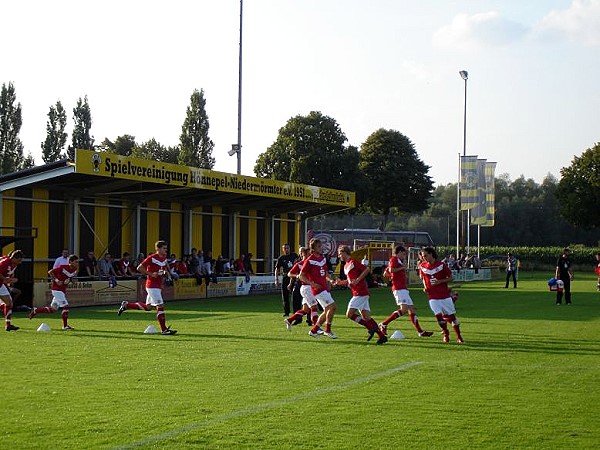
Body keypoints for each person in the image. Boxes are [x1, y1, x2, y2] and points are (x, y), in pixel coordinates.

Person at [117, 240, 177, 335]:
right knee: (160, 305)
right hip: (152, 285)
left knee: (148, 307)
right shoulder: (151, 258)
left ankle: (126, 305)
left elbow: (163, 270)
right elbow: (139, 268)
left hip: (157, 286)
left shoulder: (164, 258)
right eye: (164, 248)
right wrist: (151, 274)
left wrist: (166, 274)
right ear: (158, 249)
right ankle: (164, 330)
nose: (166, 250)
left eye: (166, 248)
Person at [335, 245, 387, 344]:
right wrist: (341, 282)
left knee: (349, 314)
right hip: (357, 292)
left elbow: (366, 269)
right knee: (366, 317)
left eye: (339, 254)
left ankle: (370, 328)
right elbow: (350, 280)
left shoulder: (353, 262)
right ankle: (382, 336)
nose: (339, 256)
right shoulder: (346, 265)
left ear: (345, 253)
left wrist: (358, 279)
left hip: (360, 292)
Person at [379, 245, 433, 338]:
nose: (404, 256)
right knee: (404, 309)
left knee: (412, 310)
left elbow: (386, 273)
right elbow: (391, 270)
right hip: (399, 288)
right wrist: (401, 268)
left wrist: (393, 274)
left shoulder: (397, 261)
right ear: (399, 252)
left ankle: (420, 332)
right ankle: (383, 324)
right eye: (403, 254)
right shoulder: (394, 259)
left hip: (403, 288)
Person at [418, 246, 464, 344]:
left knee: (452, 318)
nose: (424, 258)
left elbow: (451, 278)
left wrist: (440, 281)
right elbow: (423, 278)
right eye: (422, 256)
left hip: (444, 296)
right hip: (432, 296)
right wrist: (425, 287)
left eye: (425, 255)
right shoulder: (422, 266)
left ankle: (459, 336)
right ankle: (446, 333)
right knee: (438, 316)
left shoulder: (441, 265)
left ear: (431, 254)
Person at [298, 238, 338, 339]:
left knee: (327, 310)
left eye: (321, 246)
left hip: (324, 288)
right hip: (318, 289)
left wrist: (330, 280)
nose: (321, 248)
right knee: (333, 306)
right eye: (319, 246)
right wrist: (312, 283)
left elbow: (325, 273)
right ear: (313, 248)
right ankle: (327, 330)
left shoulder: (322, 258)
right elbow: (301, 276)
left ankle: (314, 330)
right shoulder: (309, 260)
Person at [29, 254, 78, 330]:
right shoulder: (63, 267)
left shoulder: (74, 270)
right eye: (76, 262)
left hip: (62, 291)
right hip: (57, 290)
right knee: (66, 306)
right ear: (70, 262)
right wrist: (57, 280)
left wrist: (72, 280)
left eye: (77, 262)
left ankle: (36, 310)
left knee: (53, 309)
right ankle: (65, 326)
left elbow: (70, 278)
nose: (77, 263)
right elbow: (50, 272)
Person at [284, 247, 319, 330]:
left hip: (308, 287)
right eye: (309, 254)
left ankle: (289, 320)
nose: (311, 255)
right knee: (314, 307)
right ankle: (316, 329)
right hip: (306, 288)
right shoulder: (300, 264)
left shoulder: (311, 263)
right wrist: (296, 276)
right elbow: (289, 273)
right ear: (304, 254)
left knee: (306, 310)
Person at [0, 250, 24, 331]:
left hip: (1, 284)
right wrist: (5, 279)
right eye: (19, 260)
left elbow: (9, 274)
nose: (20, 262)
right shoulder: (5, 262)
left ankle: (8, 325)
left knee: (9, 303)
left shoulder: (14, 264)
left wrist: (10, 280)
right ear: (13, 258)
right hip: (1, 282)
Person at [274, 243, 298, 317]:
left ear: (290, 248)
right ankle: (286, 312)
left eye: (287, 248)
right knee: (285, 296)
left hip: (294, 277)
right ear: (283, 249)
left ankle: (296, 312)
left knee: (295, 295)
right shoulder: (281, 258)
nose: (286, 250)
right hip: (286, 277)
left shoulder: (294, 255)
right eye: (285, 248)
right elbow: (277, 269)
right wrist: (276, 279)